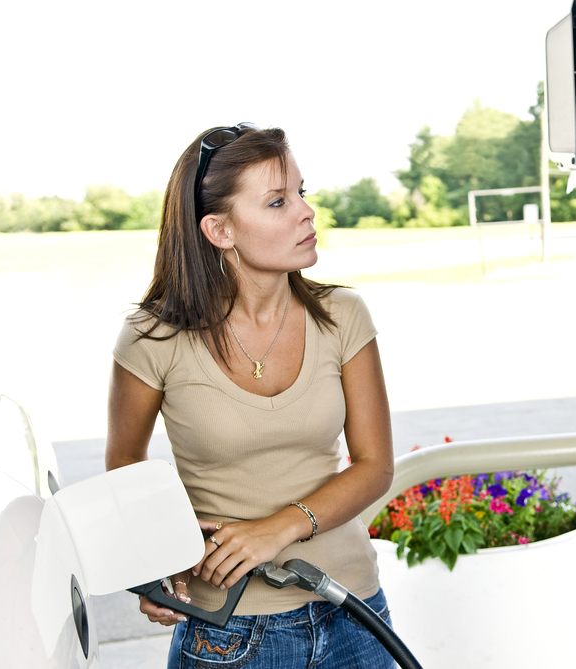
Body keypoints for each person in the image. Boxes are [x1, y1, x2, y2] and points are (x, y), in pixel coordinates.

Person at [105, 123, 396, 668]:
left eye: (302, 193)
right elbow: (124, 466)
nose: (307, 212)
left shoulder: (344, 316)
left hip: (355, 612)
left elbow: (376, 465)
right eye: (278, 201)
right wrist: (151, 562)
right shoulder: (152, 338)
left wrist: (276, 529)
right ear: (220, 230)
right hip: (227, 632)